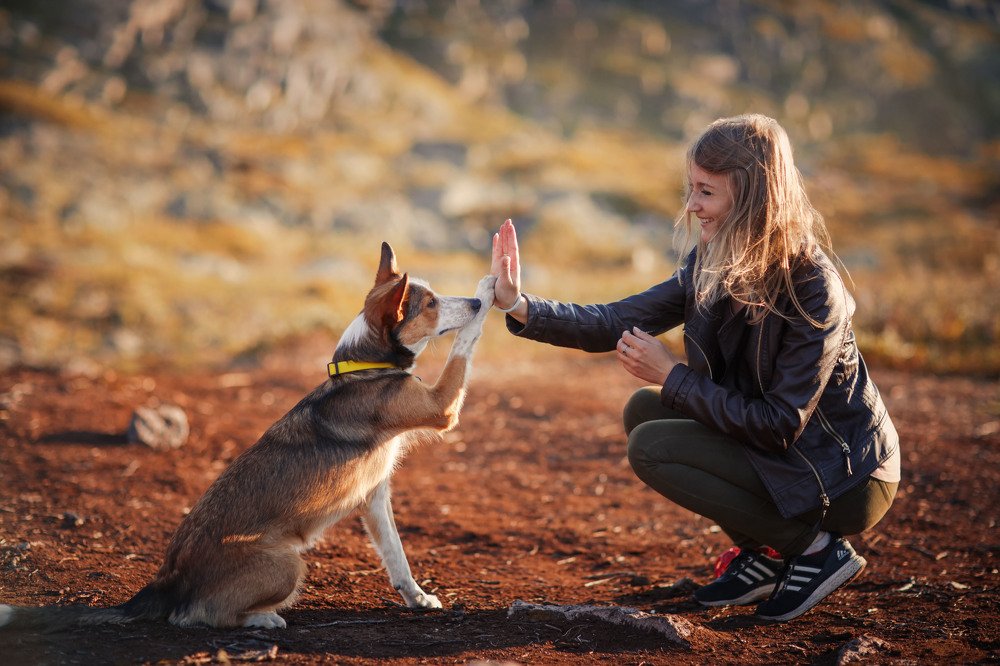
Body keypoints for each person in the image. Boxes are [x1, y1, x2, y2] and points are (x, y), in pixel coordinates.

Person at [488, 114, 900, 622]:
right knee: (643, 409)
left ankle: (814, 551)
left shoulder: (813, 288)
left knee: (652, 447)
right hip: (789, 459)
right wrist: (519, 305)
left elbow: (778, 425)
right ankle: (765, 555)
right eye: (691, 188)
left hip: (845, 476)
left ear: (751, 196)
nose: (691, 206)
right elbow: (616, 318)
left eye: (706, 191)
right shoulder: (713, 258)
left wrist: (671, 374)